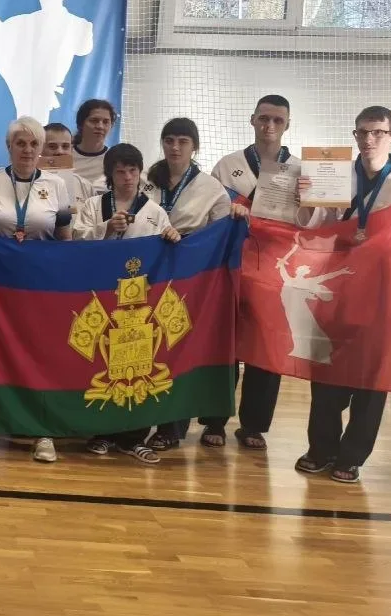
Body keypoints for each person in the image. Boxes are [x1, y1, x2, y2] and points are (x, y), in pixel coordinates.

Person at [293, 105, 391, 484]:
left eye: (378, 132)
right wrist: (308, 201)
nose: (368, 139)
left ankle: (351, 456)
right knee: (326, 368)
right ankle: (321, 449)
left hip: (385, 289)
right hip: (339, 285)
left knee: (372, 376)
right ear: (354, 135)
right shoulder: (336, 174)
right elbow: (317, 226)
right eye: (362, 132)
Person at [0, 117, 74, 461]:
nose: (27, 149)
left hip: (40, 288)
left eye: (34, 144)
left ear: (41, 149)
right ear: (9, 147)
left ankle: (42, 432)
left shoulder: (56, 186)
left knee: (40, 355)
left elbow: (65, 239)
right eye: (20, 143)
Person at [73, 143, 180, 465]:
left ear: (140, 172)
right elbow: (75, 240)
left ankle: (133, 438)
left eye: (133, 170)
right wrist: (105, 227)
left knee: (138, 365)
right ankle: (100, 433)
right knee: (101, 362)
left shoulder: (154, 211)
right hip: (101, 295)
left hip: (138, 302)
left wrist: (172, 236)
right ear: (110, 174)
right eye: (120, 171)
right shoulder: (94, 206)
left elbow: (167, 245)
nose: (127, 177)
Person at [205, 94, 299, 450]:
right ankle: (214, 419)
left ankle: (254, 426)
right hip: (231, 265)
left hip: (275, 269)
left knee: (266, 346)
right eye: (264, 118)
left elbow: (311, 222)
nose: (269, 125)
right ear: (252, 120)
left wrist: (307, 202)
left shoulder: (300, 170)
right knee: (224, 344)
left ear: (287, 124)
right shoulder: (228, 165)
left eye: (277, 120)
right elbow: (210, 210)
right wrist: (231, 209)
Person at [145, 117, 244, 452]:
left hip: (190, 277)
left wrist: (237, 218)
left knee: (178, 347)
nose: (175, 147)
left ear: (194, 147)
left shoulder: (210, 188)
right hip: (148, 273)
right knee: (148, 347)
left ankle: (172, 427)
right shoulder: (146, 181)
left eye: (182, 141)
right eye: (169, 140)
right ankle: (138, 419)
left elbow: (220, 234)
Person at [43, 122, 96, 205]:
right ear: (40, 148)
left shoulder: (85, 186)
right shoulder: (29, 182)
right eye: (52, 146)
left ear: (71, 149)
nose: (60, 151)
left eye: (65, 146)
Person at [71, 99, 117, 187]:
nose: (100, 126)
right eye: (94, 120)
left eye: (106, 122)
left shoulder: (115, 158)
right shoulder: (65, 154)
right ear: (80, 124)